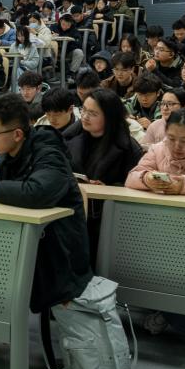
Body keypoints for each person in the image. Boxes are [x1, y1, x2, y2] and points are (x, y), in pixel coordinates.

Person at [0, 93, 91, 362]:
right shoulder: (6, 158)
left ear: (17, 134)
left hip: (58, 246)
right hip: (22, 240)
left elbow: (37, 192)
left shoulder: (48, 151)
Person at [66, 88, 142, 254]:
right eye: (84, 110)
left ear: (109, 116)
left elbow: (135, 187)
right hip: (73, 212)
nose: (85, 117)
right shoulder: (70, 138)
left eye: (93, 113)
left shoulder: (128, 148)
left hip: (109, 220)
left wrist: (109, 188)